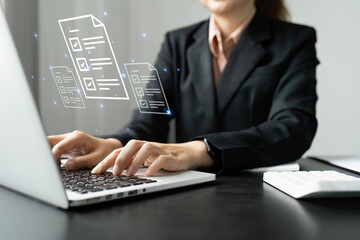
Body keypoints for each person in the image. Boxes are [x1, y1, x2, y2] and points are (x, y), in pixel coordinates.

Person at [48, 0, 319, 177]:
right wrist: (113, 144)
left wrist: (197, 151)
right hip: (188, 193)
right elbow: (149, 123)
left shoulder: (295, 40)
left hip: (260, 193)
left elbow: (294, 127)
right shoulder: (177, 43)